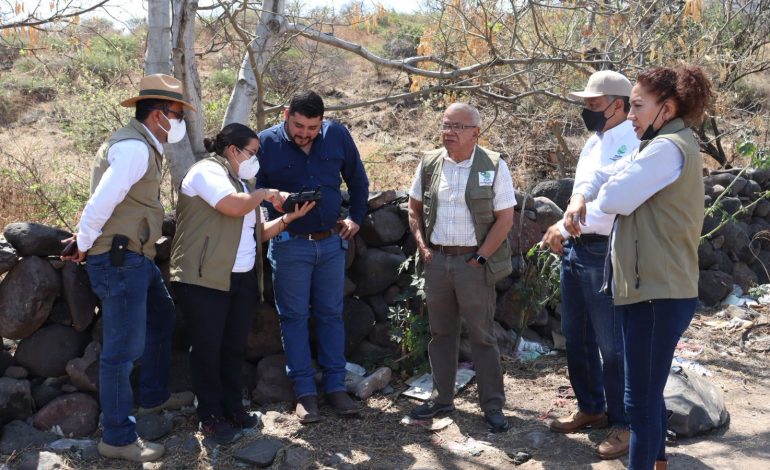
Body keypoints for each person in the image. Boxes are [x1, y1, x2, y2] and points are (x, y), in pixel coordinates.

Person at [564, 65, 713, 470]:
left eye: (637, 106)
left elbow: (614, 196)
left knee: (639, 401)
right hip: (656, 290)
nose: (631, 115)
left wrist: (601, 188)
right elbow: (611, 177)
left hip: (655, 293)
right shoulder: (666, 143)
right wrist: (592, 190)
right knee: (646, 393)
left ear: (666, 108)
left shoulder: (666, 149)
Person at [61, 74, 196, 463]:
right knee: (121, 353)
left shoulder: (140, 143)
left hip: (135, 256)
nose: (180, 122)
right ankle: (118, 438)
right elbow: (103, 199)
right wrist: (84, 242)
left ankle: (152, 397)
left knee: (161, 315)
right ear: (158, 116)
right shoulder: (135, 149)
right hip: (119, 259)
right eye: (177, 114)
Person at [169, 123, 315, 443]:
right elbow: (231, 207)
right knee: (208, 349)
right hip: (206, 277)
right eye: (252, 152)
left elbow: (258, 233)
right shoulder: (205, 172)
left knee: (233, 347)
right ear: (233, 150)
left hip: (241, 276)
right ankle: (209, 416)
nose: (255, 160)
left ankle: (233, 409)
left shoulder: (240, 183)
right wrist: (264, 193)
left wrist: (289, 217)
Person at [541, 70, 639, 459]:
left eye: (593, 105)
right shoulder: (593, 142)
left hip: (605, 249)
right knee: (575, 333)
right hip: (579, 247)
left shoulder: (634, 142)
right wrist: (571, 217)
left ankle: (624, 422)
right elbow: (584, 189)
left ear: (619, 104)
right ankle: (592, 407)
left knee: (612, 345)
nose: (587, 111)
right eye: (586, 105)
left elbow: (615, 202)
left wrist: (564, 227)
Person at [256, 90, 369, 423]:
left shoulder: (338, 135)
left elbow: (359, 182)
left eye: (312, 127)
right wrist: (274, 208)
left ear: (323, 121)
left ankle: (336, 388)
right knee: (293, 318)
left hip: (332, 243)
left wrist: (356, 218)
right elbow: (253, 193)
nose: (304, 133)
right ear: (286, 113)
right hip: (289, 243)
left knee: (332, 314)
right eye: (299, 125)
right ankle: (305, 394)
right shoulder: (265, 142)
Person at [407, 103, 516, 432]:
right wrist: (423, 247)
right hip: (437, 261)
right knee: (441, 334)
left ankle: (493, 405)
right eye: (445, 125)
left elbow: (505, 219)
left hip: (474, 263)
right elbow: (413, 209)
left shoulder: (493, 165)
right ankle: (442, 399)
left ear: (475, 133)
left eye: (457, 126)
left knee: (482, 336)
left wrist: (481, 257)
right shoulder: (429, 163)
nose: (449, 132)